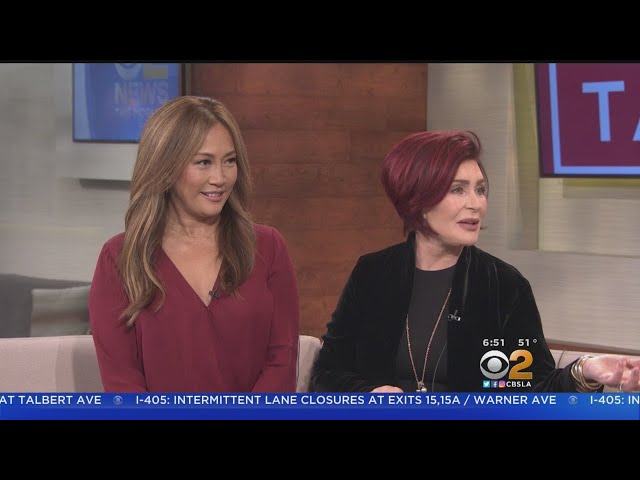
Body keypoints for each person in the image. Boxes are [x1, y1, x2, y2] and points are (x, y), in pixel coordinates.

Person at [311, 130, 640, 393]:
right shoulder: (373, 273)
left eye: (480, 190)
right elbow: (327, 372)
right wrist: (371, 393)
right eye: (458, 190)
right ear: (416, 199)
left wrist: (584, 371)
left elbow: (530, 388)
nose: (476, 204)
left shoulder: (503, 285)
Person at [89, 96, 299, 393]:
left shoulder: (268, 248)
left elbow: (282, 360)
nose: (220, 178)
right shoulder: (121, 259)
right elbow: (122, 382)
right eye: (203, 162)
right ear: (166, 167)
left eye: (230, 161)